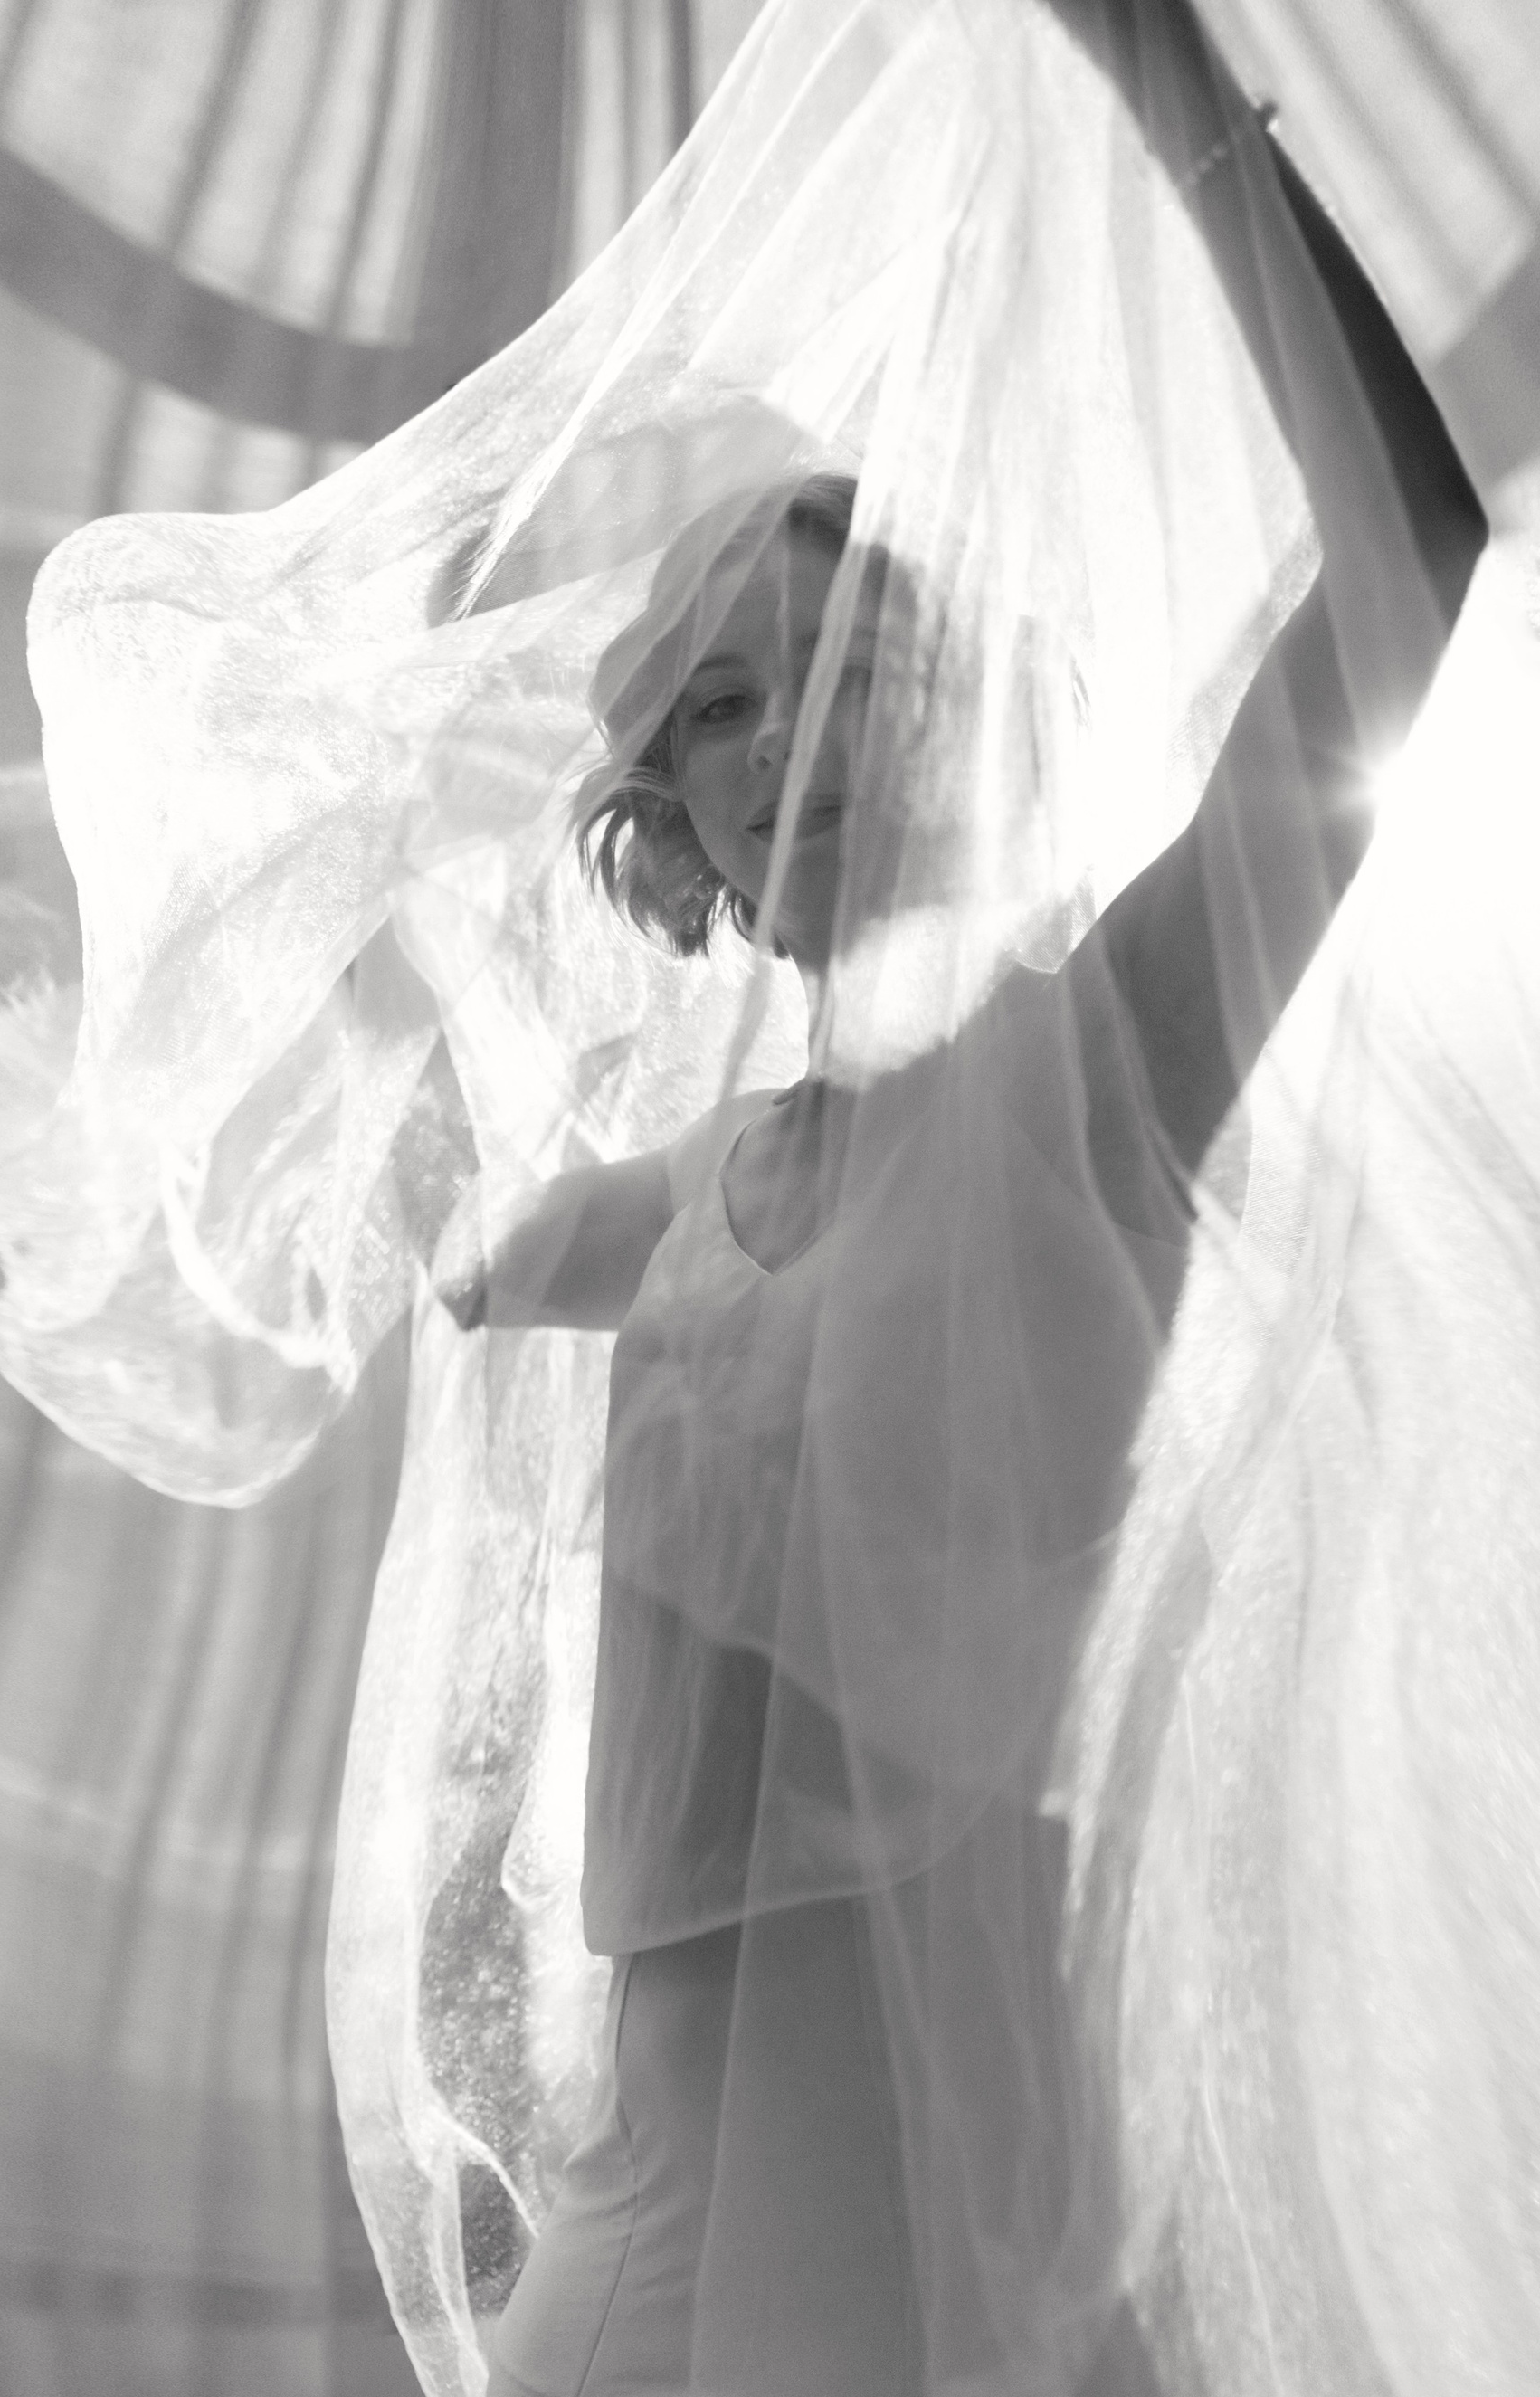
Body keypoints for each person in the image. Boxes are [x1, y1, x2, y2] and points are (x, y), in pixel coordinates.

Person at [437, 3, 1487, 2392]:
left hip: (918, 2176)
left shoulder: (1101, 1064)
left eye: (840, 664)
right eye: (717, 704)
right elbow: (486, 1257)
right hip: (637, 2170)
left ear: (951, 707)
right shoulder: (703, 1187)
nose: (781, 734)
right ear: (676, 828)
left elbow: (1405, 582)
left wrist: (1169, 84)